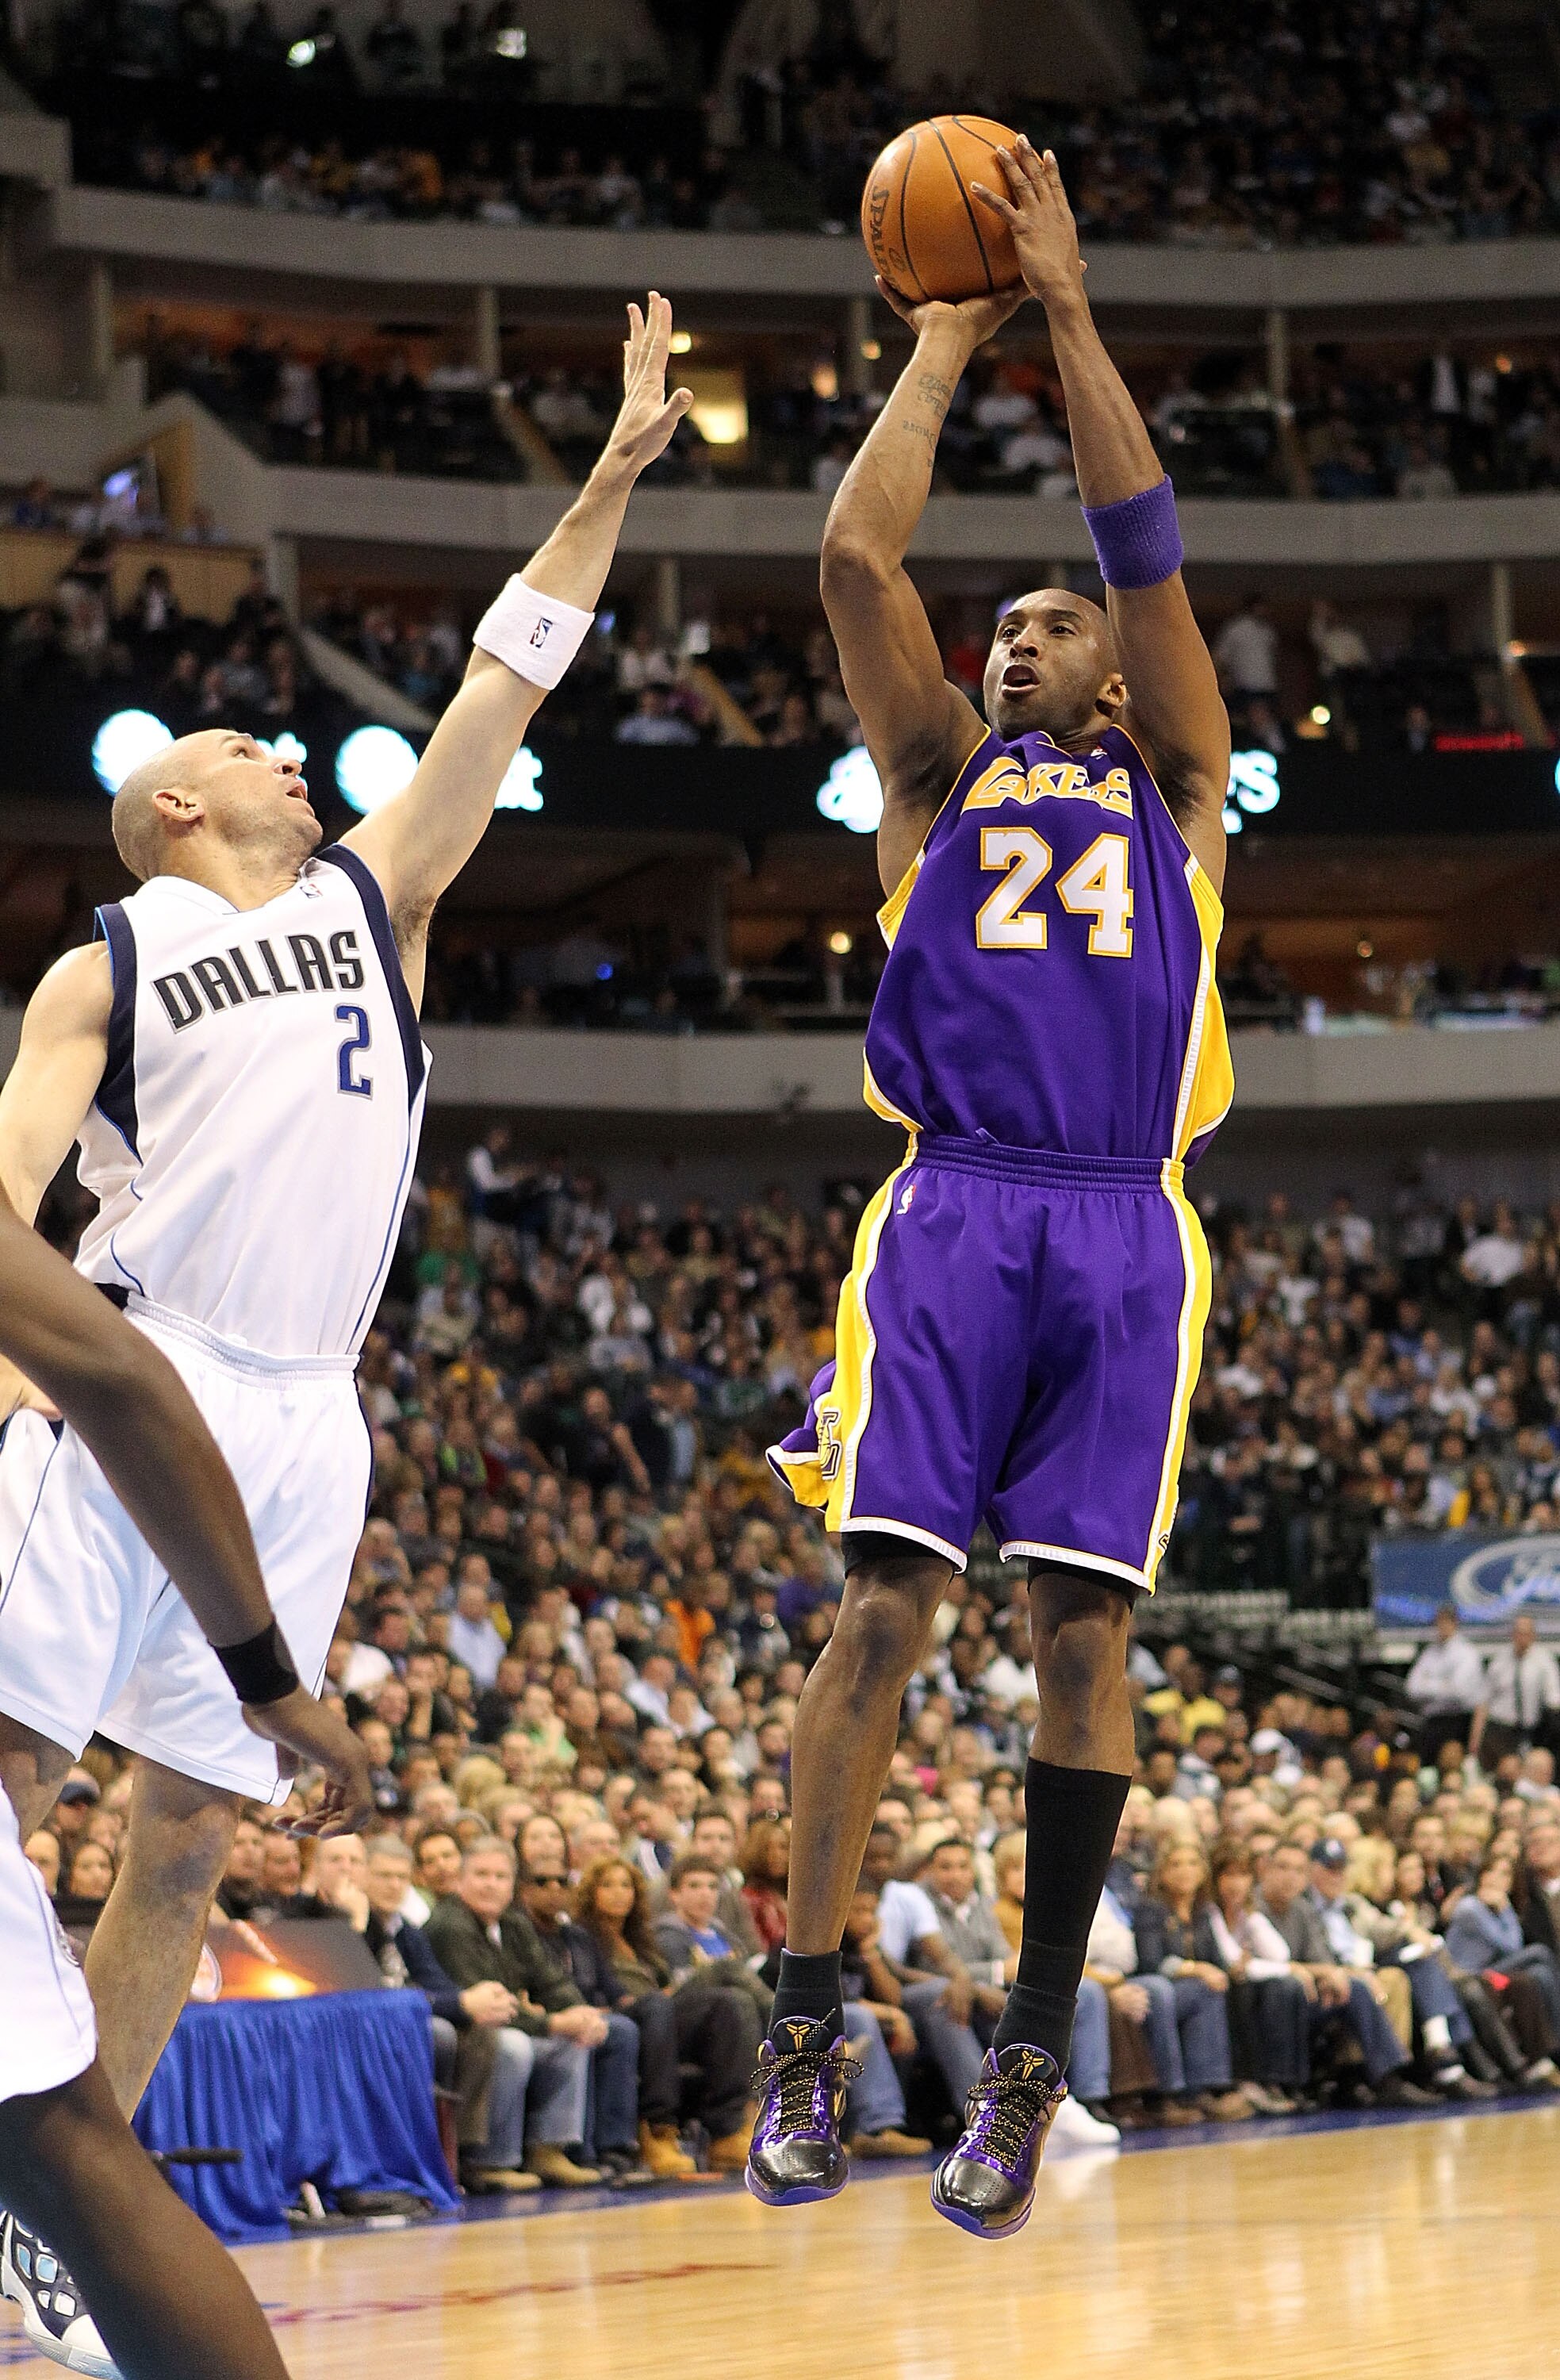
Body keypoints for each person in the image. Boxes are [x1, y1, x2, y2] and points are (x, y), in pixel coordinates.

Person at [0, 290, 689, 2331]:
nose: (291, 749)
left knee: (193, 1838)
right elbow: (11, 1180)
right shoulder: (104, 961)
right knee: (16, 1774)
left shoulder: (373, 901)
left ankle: (63, 2225)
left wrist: (617, 471)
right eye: (247, 746)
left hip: (314, 1407)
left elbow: (504, 677)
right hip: (134, 1379)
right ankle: (18, 2145)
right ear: (171, 811)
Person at [755, 136, 1233, 2242]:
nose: (1017, 639)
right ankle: (801, 2025)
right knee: (877, 1608)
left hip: (1121, 1222)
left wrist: (1063, 310)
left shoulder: (1183, 779)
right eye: (1005, 625)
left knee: (1075, 1638)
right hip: (952, 1205)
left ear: (1114, 672)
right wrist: (940, 347)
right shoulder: (938, 783)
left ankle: (1025, 2066)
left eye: (1049, 624)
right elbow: (854, 565)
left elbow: (1140, 542)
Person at [0, 1183, 370, 2379]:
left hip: (291, 1399)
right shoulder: (94, 989)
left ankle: (43, 2239)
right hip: (158, 1369)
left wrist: (265, 1680)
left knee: (189, 1845)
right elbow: (119, 1376)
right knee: (19, 1784)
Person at [425, 1838, 608, 2187]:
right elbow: (490, 2008)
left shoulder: (513, 1924)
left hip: (508, 2024)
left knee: (574, 2041)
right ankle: (488, 2160)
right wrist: (554, 2022)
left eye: (500, 1876)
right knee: (513, 2045)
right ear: (460, 1880)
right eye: (481, 1874)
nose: (491, 1884)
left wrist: (579, 2011)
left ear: (513, 1886)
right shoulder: (450, 1926)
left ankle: (548, 2149)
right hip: (468, 2034)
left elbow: (549, 1979)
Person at [571, 1853, 757, 2174]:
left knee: (727, 2004)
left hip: (661, 2017)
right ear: (591, 1892)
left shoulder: (641, 1937)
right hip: (624, 2015)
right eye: (608, 1885)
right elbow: (589, 1986)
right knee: (664, 2003)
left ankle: (726, 2131)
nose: (619, 1892)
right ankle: (658, 2128)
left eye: (626, 1885)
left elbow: (665, 1984)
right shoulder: (582, 1936)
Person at [1473, 1615, 1560, 1770]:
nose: (1522, 1638)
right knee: (1506, 1769)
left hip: (1532, 1730)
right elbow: (1483, 1702)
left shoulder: (1544, 1662)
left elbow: (1554, 1698)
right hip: (1500, 1728)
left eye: (1526, 1633)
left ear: (1534, 1636)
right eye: (1519, 1633)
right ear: (1512, 1635)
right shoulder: (1499, 1661)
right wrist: (1474, 1740)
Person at [1405, 1605, 1486, 1765]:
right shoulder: (1430, 1653)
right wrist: (1444, 1684)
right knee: (1428, 1768)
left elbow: (1459, 1692)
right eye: (1438, 1622)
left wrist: (1428, 1683)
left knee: (1452, 1766)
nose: (1440, 1626)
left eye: (1445, 1621)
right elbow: (1412, 1688)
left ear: (1454, 1622)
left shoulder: (1467, 1653)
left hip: (1457, 1723)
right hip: (1432, 1722)